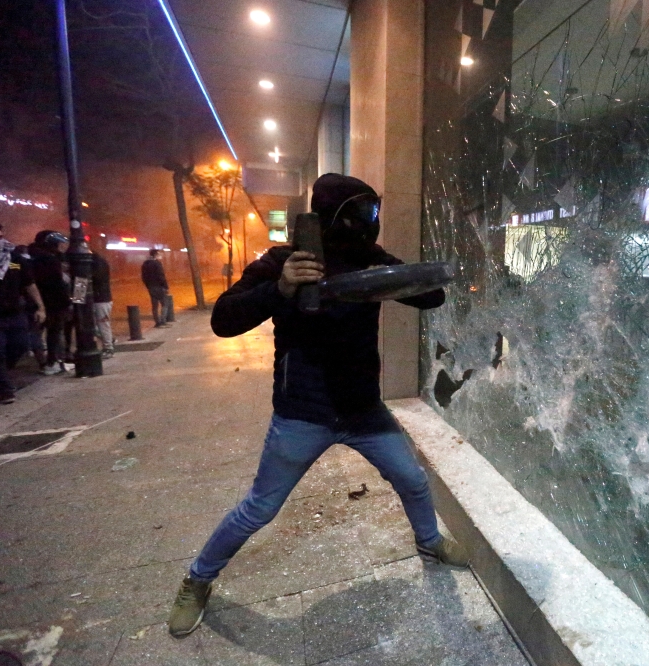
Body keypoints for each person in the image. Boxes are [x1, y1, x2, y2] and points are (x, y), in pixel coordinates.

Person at [166, 174, 469, 638]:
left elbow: (432, 296)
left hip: (363, 410)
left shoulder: (370, 260)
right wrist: (281, 288)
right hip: (303, 413)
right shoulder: (284, 261)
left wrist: (384, 280)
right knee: (259, 509)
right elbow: (224, 321)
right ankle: (197, 580)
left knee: (411, 479)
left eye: (375, 212)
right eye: (364, 212)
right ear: (336, 215)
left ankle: (429, 544)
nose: (372, 223)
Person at [0, 220, 46, 403]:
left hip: (16, 314)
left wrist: (40, 307)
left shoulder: (14, 259)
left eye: (0, 237)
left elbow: (29, 284)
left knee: (21, 346)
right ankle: (4, 391)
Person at [29, 230, 72, 375]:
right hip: (54, 303)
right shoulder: (51, 260)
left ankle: (46, 362)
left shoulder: (31, 257)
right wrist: (68, 302)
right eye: (60, 244)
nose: (62, 246)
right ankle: (53, 362)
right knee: (55, 333)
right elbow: (57, 283)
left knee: (36, 333)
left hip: (36, 302)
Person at [90, 242, 115, 358]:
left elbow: (94, 278)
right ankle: (109, 340)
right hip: (97, 298)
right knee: (93, 326)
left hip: (101, 299)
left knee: (102, 324)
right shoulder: (97, 261)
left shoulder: (97, 263)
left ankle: (108, 347)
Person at [141, 248, 170, 327]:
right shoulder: (157, 263)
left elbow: (144, 277)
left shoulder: (145, 264)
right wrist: (165, 286)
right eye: (159, 254)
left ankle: (157, 322)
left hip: (151, 287)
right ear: (155, 255)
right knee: (164, 304)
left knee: (154, 305)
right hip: (159, 287)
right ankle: (163, 321)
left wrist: (148, 285)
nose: (160, 255)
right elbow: (161, 276)